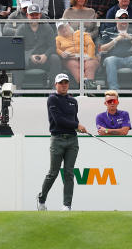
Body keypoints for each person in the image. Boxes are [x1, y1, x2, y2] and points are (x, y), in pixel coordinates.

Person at [37, 73, 87, 211]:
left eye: (66, 82)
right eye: (61, 83)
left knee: (69, 173)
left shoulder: (73, 101)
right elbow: (58, 120)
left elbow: (73, 119)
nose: (64, 85)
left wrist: (78, 126)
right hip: (57, 139)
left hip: (72, 140)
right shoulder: (52, 99)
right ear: (56, 85)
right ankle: (42, 199)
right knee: (53, 172)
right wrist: (77, 126)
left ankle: (67, 205)